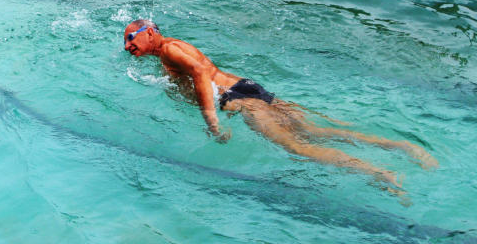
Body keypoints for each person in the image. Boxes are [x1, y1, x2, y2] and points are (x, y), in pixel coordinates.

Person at [122, 19, 437, 195]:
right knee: (314, 131)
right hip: (245, 87)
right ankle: (399, 146)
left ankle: (379, 173)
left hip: (237, 100)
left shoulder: (170, 50)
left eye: (131, 37)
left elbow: (202, 74)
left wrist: (211, 120)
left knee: (297, 147)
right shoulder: (171, 50)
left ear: (150, 31)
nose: (127, 46)